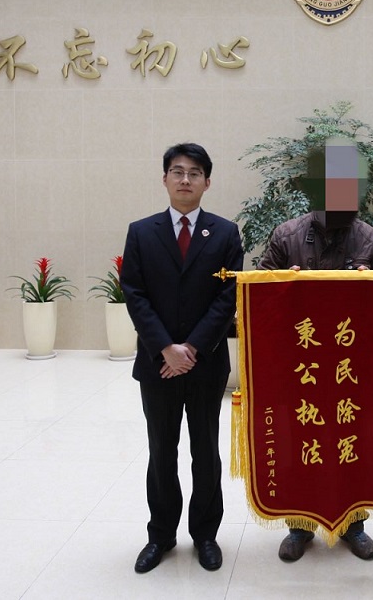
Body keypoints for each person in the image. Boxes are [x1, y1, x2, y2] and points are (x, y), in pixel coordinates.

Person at [257, 137, 373, 562]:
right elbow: (259, 295)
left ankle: (354, 525)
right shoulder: (286, 235)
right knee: (302, 440)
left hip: (352, 365)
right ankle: (299, 526)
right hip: (302, 364)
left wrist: (372, 285)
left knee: (352, 441)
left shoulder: (372, 240)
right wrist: (284, 285)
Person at [121, 143, 244, 575]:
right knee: (161, 449)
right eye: (177, 171)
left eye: (194, 173)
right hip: (157, 364)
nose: (185, 179)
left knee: (205, 449)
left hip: (205, 363)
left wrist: (190, 348)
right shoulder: (141, 232)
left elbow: (227, 296)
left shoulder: (225, 233)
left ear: (207, 182)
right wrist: (165, 348)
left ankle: (205, 535)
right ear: (165, 179)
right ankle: (160, 535)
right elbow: (134, 293)